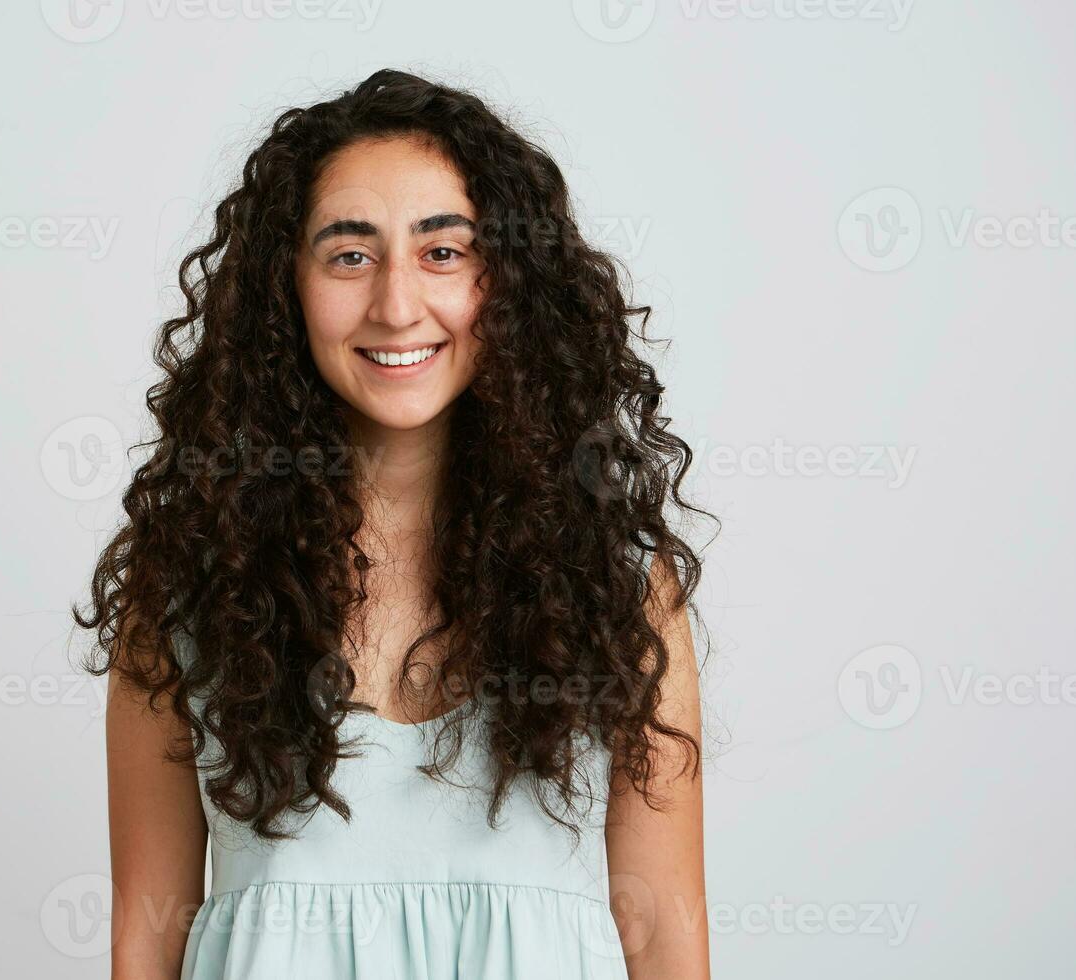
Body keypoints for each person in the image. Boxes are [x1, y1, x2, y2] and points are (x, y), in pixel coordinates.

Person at [80, 67, 712, 979]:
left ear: (508, 282)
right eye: (349, 254)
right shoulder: (188, 587)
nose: (396, 304)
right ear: (283, 289)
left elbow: (662, 939)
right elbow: (146, 943)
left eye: (443, 252)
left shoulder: (617, 591)